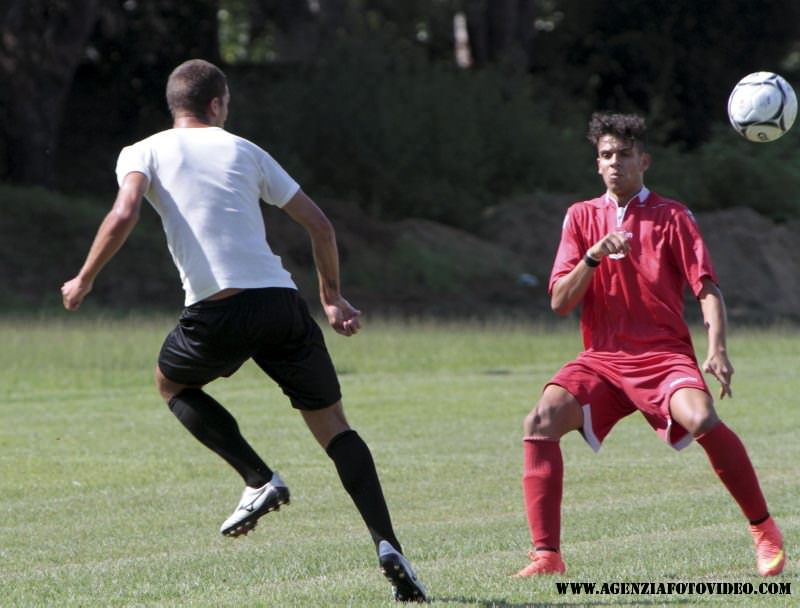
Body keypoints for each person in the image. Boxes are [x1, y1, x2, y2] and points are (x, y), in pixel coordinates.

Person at [61, 58, 426, 603]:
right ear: (216, 105)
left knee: (171, 384)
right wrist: (330, 297)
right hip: (281, 304)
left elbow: (124, 213)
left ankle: (258, 477)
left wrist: (84, 277)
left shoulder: (142, 152)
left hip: (218, 310)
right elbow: (320, 226)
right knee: (335, 429)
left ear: (176, 106)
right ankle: (388, 545)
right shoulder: (245, 150)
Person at [515, 112, 785, 578]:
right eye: (606, 155)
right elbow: (560, 301)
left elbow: (707, 289)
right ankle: (547, 558)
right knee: (539, 420)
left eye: (623, 154)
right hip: (602, 359)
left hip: (662, 356)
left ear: (645, 160)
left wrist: (717, 348)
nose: (614, 163)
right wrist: (593, 255)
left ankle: (764, 531)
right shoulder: (580, 217)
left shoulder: (672, 215)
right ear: (596, 164)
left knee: (702, 418)